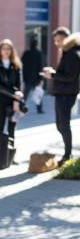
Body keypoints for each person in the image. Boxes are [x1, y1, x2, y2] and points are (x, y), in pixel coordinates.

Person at [42, 27, 80, 166]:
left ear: (68, 38)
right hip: (62, 93)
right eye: (55, 41)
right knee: (60, 125)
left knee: (64, 125)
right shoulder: (68, 52)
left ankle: (67, 155)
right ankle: (67, 153)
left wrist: (52, 75)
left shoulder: (72, 53)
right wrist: (53, 72)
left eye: (59, 40)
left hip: (66, 94)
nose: (57, 43)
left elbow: (70, 77)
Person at [0, 38, 25, 164]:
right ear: (0, 50)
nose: (6, 51)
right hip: (0, 101)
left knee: (11, 129)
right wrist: (13, 93)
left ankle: (11, 157)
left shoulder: (16, 65)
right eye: (4, 48)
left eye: (8, 49)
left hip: (13, 102)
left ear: (11, 51)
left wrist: (18, 98)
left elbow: (19, 84)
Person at [22, 38, 44, 113]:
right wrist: (41, 78)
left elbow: (22, 64)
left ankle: (21, 107)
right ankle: (39, 109)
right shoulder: (38, 53)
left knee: (25, 94)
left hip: (28, 78)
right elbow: (40, 67)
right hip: (36, 78)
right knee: (38, 94)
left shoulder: (26, 53)